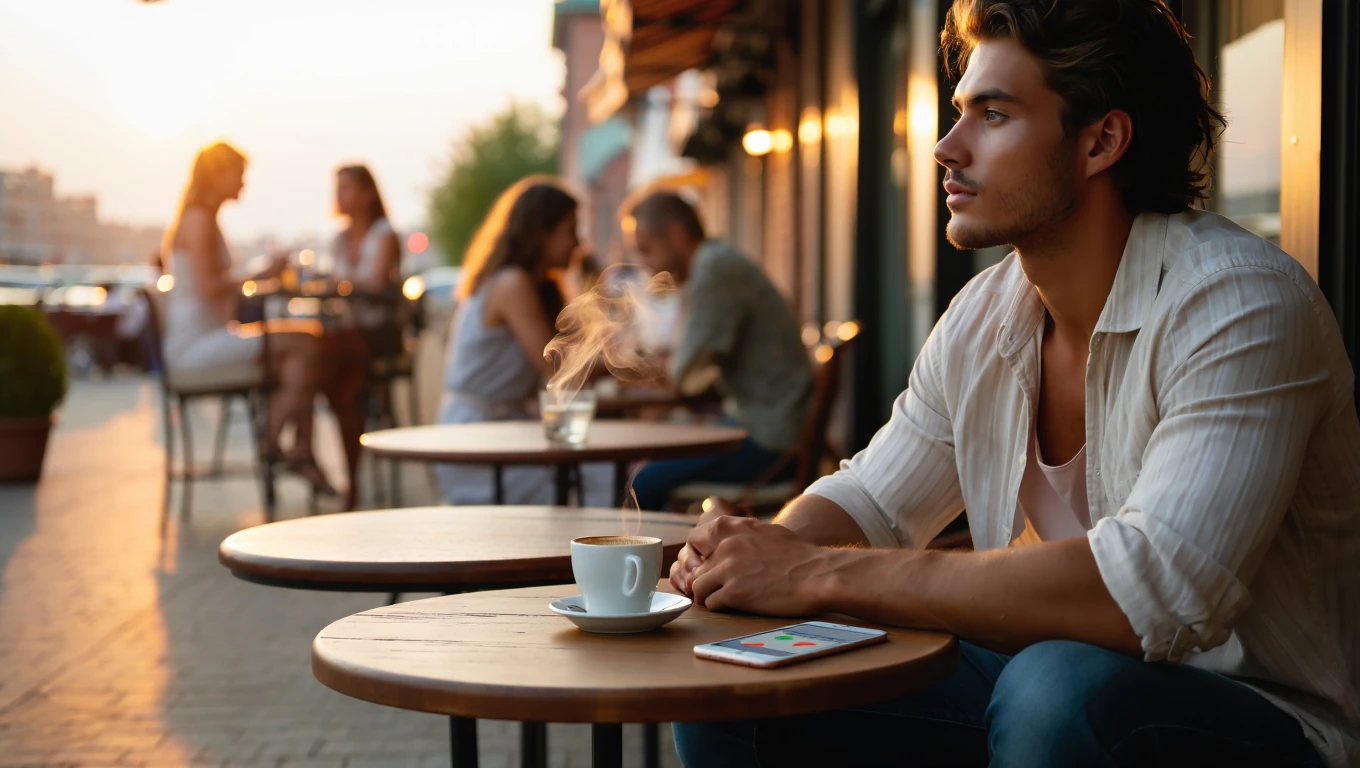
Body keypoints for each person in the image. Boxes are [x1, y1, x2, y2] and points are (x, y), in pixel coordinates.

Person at [669, 1, 1359, 766]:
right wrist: (756, 557)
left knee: (1055, 689)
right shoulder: (986, 313)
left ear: (1101, 141)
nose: (946, 147)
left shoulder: (1239, 303)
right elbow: (873, 501)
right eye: (960, 112)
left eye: (993, 115)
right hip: (1041, 694)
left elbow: (1153, 592)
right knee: (738, 682)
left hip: (1257, 717)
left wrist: (816, 572)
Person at [162, 141, 367, 504]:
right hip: (197, 347)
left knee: (306, 351)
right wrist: (264, 276)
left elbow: (218, 285)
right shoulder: (199, 219)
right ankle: (273, 443)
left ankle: (297, 449)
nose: (244, 183)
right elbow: (210, 286)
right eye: (239, 174)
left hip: (213, 336)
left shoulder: (201, 218)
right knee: (309, 343)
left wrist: (264, 277)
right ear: (217, 175)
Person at [627, 191, 813, 511]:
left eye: (646, 249)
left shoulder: (714, 269)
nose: (645, 265)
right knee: (649, 461)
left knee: (640, 483)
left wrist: (636, 366)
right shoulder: (715, 262)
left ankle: (652, 547)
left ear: (676, 234)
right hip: (770, 430)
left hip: (769, 444)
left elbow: (684, 375)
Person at [433, 176, 612, 505]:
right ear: (542, 232)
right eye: (571, 230)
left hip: (502, 433)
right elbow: (557, 367)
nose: (578, 242)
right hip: (475, 441)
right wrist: (622, 368)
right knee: (601, 479)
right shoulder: (511, 284)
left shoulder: (534, 286)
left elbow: (578, 351)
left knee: (598, 474)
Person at [331, 164, 401, 291]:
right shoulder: (340, 238)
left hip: (378, 304)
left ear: (368, 194)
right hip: (343, 305)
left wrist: (342, 285)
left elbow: (377, 283)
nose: (338, 195)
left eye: (345, 188)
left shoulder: (384, 234)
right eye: (338, 189)